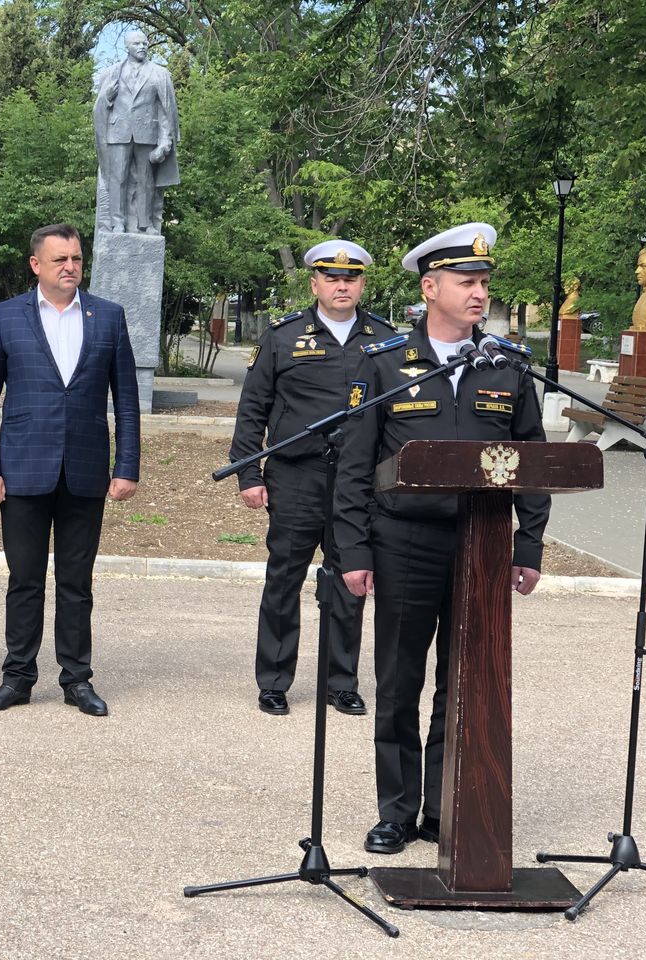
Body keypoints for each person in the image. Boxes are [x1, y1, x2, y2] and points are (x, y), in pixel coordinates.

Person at [334, 222, 551, 854]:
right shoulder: (384, 367)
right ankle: (397, 811)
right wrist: (353, 551)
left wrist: (528, 545)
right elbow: (353, 466)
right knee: (399, 681)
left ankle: (444, 804)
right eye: (466, 282)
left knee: (467, 682)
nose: (480, 293)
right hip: (403, 542)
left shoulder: (509, 369)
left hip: (480, 545)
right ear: (431, 287)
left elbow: (533, 460)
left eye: (484, 283)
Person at [0, 223, 140, 716]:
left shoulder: (108, 317)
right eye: (61, 259)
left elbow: (125, 401)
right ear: (36, 265)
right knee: (24, 580)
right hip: (21, 470)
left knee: (76, 582)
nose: (71, 267)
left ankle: (77, 678)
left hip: (85, 471)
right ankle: (18, 677)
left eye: (77, 259)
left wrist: (126, 464)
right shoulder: (6, 317)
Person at [230, 240, 393, 718]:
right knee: (284, 578)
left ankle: (340, 681)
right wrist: (248, 474)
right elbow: (252, 409)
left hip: (357, 483)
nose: (342, 285)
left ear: (363, 283)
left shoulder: (384, 339)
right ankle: (274, 681)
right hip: (296, 477)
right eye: (332, 277)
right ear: (314, 283)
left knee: (351, 576)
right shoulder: (283, 336)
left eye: (351, 278)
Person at [93, 30, 180, 234]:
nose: (142, 47)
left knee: (146, 179)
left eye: (144, 43)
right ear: (127, 47)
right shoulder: (112, 72)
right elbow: (99, 107)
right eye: (136, 44)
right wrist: (107, 96)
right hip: (117, 133)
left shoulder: (159, 73)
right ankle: (118, 223)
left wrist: (164, 142)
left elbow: (167, 110)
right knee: (118, 178)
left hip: (147, 133)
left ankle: (145, 223)